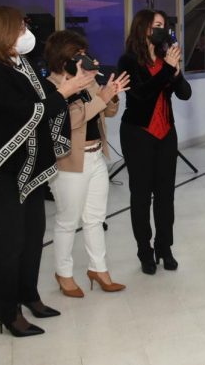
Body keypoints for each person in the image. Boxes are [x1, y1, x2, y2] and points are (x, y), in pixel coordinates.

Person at [0, 6, 95, 337]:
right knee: (10, 241)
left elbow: (44, 104)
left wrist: (70, 87)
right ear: (1, 32)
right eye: (20, 28)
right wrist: (64, 93)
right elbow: (25, 113)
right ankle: (6, 312)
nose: (26, 33)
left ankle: (28, 296)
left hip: (28, 169)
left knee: (33, 236)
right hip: (2, 171)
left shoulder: (22, 65)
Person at [45, 30, 130, 297]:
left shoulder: (88, 80)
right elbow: (71, 121)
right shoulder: (52, 87)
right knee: (67, 221)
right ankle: (64, 273)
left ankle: (99, 270)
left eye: (84, 53)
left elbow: (108, 112)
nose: (84, 58)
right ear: (63, 58)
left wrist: (112, 95)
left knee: (95, 218)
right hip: (69, 161)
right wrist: (101, 98)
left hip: (95, 156)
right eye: (78, 54)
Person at [118, 9, 191, 275]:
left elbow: (185, 94)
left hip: (166, 133)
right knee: (141, 195)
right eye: (155, 25)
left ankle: (164, 247)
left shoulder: (166, 57)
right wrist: (167, 71)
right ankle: (144, 250)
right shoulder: (128, 60)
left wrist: (176, 73)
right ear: (142, 28)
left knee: (165, 195)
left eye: (163, 25)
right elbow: (141, 94)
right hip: (138, 133)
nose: (160, 29)